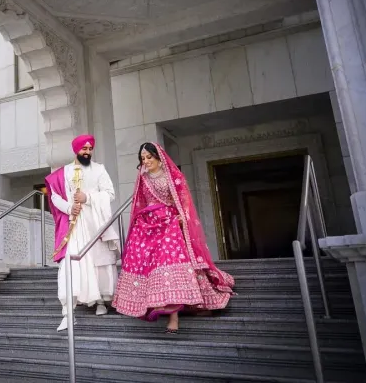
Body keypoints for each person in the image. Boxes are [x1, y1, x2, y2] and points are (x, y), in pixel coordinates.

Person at [113, 142, 234, 333]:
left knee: (168, 263)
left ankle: (173, 316)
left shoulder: (173, 176)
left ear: (159, 158)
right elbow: (141, 202)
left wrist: (181, 218)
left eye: (149, 158)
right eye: (143, 159)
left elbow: (184, 200)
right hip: (148, 226)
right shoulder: (143, 177)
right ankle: (153, 302)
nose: (146, 161)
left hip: (170, 225)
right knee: (149, 265)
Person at [45, 134, 120, 332]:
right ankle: (68, 313)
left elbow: (110, 194)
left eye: (90, 149)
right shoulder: (64, 172)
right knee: (71, 264)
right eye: (83, 149)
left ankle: (102, 301)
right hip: (74, 226)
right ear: (75, 149)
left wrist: (87, 197)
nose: (87, 152)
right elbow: (54, 197)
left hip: (96, 223)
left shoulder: (99, 169)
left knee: (100, 262)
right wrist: (70, 208)